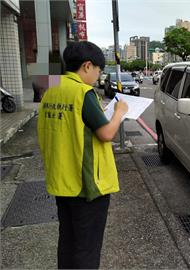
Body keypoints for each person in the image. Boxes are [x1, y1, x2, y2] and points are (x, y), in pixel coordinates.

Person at [37, 41, 128, 269]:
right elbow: (107, 133)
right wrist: (119, 113)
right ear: (87, 66)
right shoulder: (83, 92)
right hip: (87, 185)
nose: (98, 77)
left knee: (68, 240)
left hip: (61, 181)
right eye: (98, 70)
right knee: (87, 247)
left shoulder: (51, 88)